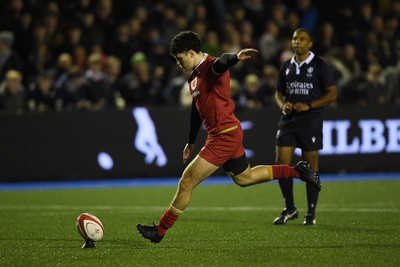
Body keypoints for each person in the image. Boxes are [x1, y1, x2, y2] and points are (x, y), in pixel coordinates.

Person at [136, 31, 321, 243]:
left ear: (191, 53)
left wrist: (235, 56)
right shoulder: (194, 78)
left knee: (186, 181)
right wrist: (191, 141)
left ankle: (160, 230)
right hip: (225, 133)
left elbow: (222, 62)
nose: (178, 63)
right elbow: (196, 112)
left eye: (179, 58)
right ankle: (297, 171)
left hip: (223, 136)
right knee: (245, 178)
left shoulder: (211, 66)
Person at [273, 28, 337, 226]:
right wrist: (283, 104)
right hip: (289, 121)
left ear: (310, 43)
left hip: (310, 121)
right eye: (294, 38)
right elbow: (278, 93)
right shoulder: (286, 66)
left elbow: (332, 94)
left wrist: (309, 105)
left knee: (310, 167)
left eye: (302, 39)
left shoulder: (320, 66)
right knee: (281, 165)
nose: (297, 42)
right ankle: (290, 208)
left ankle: (311, 212)